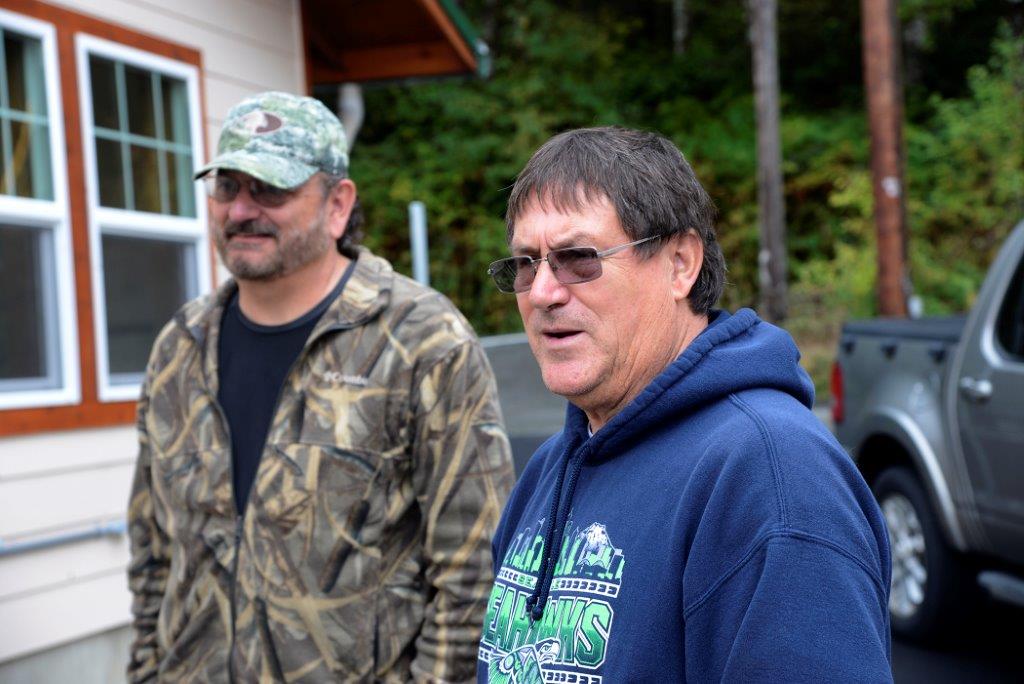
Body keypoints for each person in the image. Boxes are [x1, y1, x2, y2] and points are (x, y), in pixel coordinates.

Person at [477, 127, 892, 682]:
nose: (545, 292)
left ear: (680, 264)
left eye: (579, 258)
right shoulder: (549, 470)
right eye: (527, 264)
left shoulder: (774, 477)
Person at [126, 92, 514, 682]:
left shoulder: (420, 341)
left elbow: (473, 575)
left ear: (338, 204)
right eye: (227, 187)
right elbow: (153, 558)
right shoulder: (180, 349)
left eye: (270, 190)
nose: (240, 210)